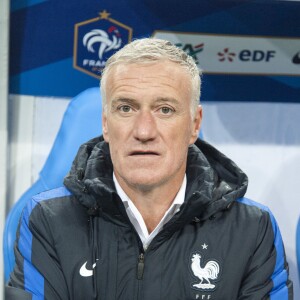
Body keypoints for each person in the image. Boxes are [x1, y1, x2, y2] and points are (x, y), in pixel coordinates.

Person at [6, 38, 293, 300]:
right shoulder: (46, 220)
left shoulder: (253, 228)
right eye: (126, 109)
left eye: (165, 109)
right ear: (106, 123)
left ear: (194, 124)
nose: (144, 131)